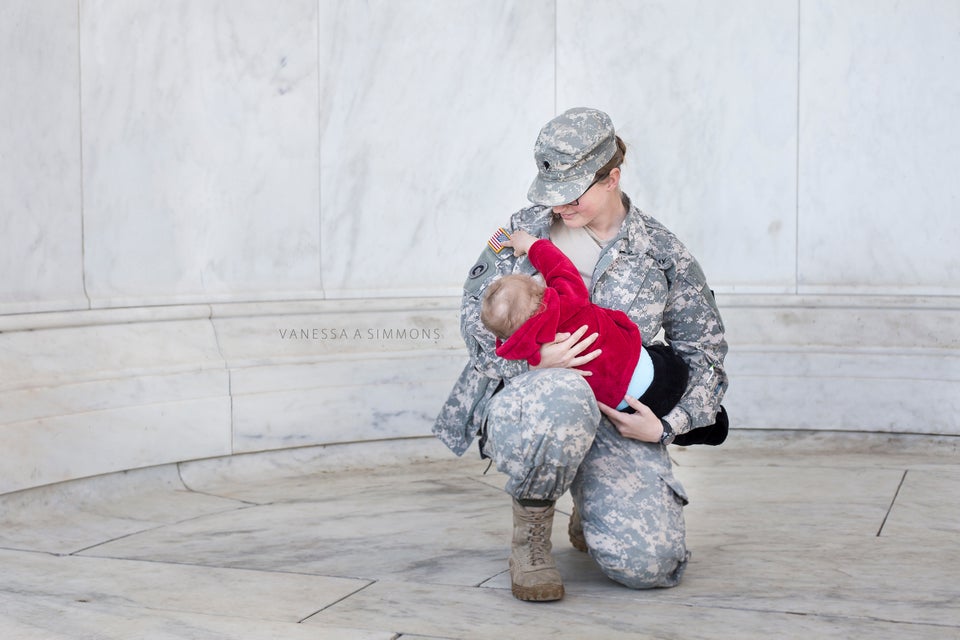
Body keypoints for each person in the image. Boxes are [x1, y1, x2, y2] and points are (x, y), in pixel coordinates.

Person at [433, 107, 729, 602]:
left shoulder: (660, 251)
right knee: (564, 392)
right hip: (535, 406)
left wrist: (667, 425)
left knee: (651, 565)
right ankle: (530, 535)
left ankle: (592, 511)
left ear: (612, 177)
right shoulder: (520, 231)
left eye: (574, 194)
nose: (561, 207)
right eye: (552, 194)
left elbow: (706, 352)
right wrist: (533, 360)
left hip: (616, 413)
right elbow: (473, 316)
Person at [480, 228, 688, 418]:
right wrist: (530, 244)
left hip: (617, 408)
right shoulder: (567, 300)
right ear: (538, 290)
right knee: (675, 369)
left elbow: (504, 356)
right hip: (650, 371)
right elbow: (558, 266)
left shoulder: (526, 353)